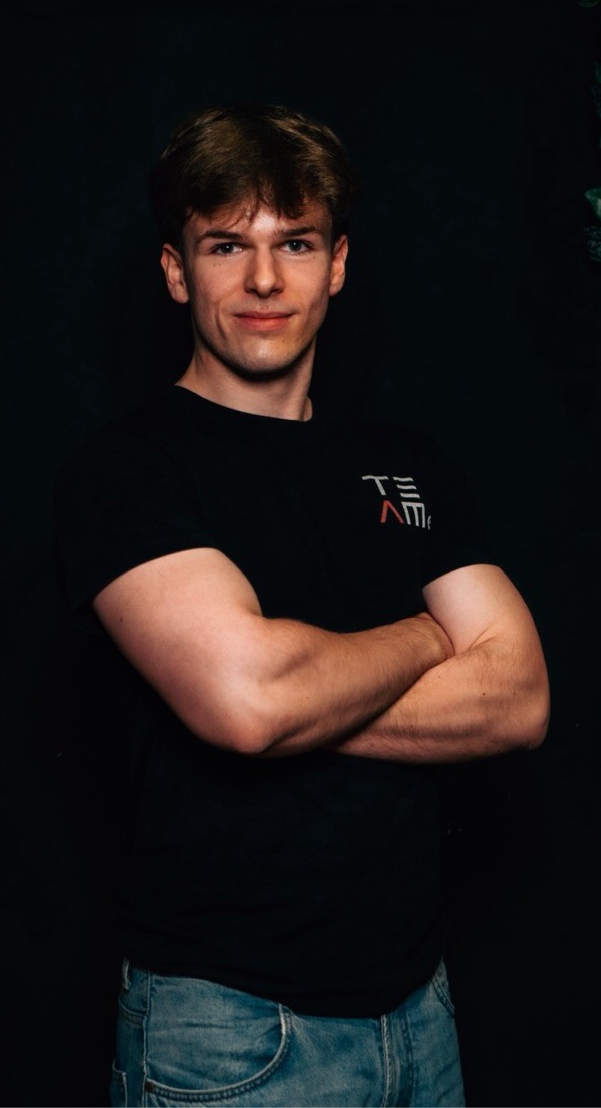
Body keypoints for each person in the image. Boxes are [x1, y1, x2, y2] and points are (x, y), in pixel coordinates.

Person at [55, 102, 549, 1108]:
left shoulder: (408, 464)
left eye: (296, 242)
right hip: (231, 1035)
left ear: (337, 264)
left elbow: (519, 696)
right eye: (226, 245)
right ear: (176, 270)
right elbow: (250, 702)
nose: (265, 280)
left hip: (422, 1014)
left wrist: (293, 700)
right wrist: (427, 635)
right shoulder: (129, 470)